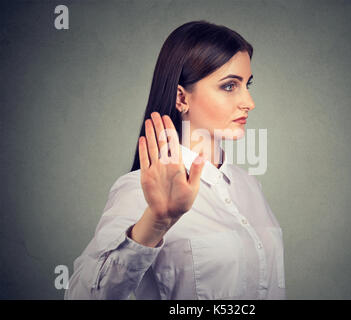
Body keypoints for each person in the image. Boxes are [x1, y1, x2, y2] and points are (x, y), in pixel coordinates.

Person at [65, 20, 286, 300]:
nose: (249, 102)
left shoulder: (249, 186)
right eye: (230, 86)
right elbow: (84, 296)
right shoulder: (140, 190)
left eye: (247, 84)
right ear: (182, 98)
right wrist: (157, 220)